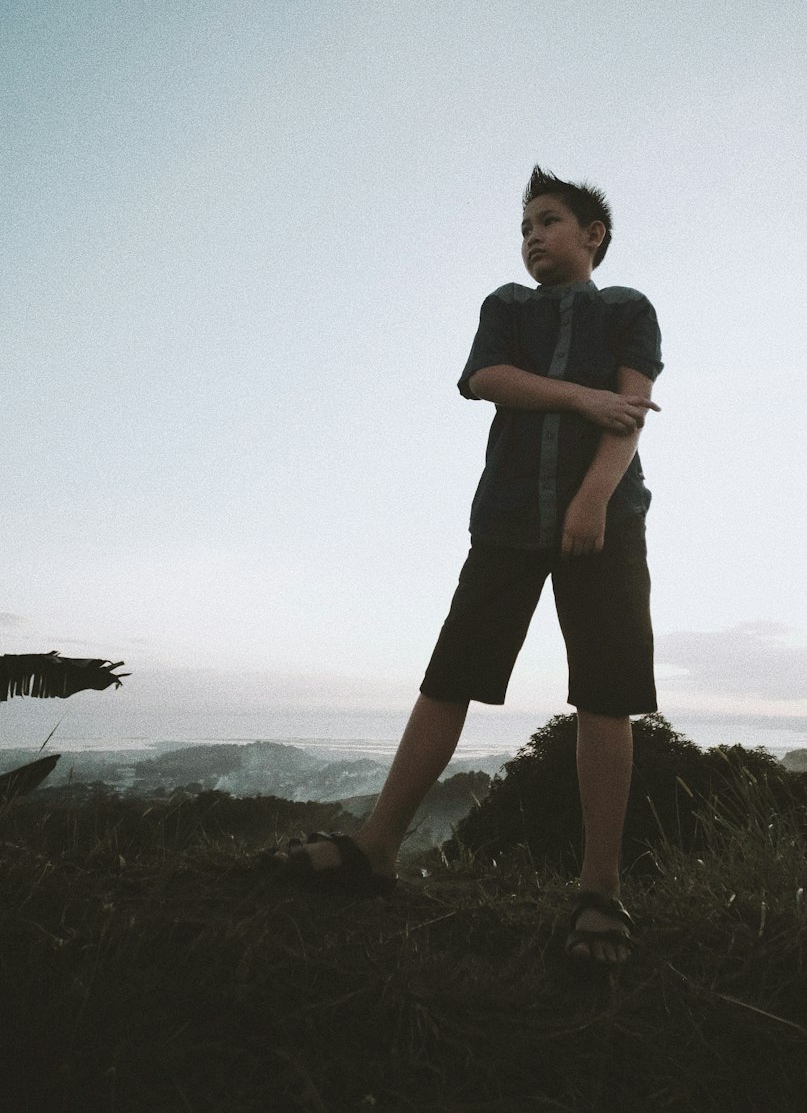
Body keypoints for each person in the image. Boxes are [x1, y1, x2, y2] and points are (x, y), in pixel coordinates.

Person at [266, 166, 662, 967]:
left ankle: (600, 889)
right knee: (450, 677)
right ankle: (377, 848)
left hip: (606, 521)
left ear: (593, 236)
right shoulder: (507, 307)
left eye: (549, 222)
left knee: (606, 695)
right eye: (525, 228)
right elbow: (487, 380)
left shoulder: (628, 309)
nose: (532, 238)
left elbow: (633, 411)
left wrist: (591, 500)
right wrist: (581, 400)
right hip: (509, 519)